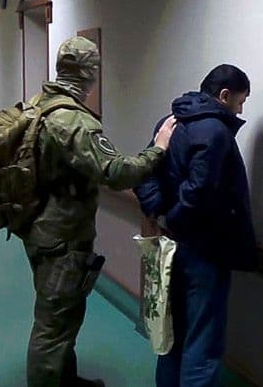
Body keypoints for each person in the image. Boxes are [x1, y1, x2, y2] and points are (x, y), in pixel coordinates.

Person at [22, 36, 176, 387]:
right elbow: (116, 172)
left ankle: (65, 379)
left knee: (63, 317)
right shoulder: (73, 121)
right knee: (53, 327)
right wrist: (158, 149)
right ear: (89, 73)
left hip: (38, 227)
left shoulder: (38, 105)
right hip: (62, 239)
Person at [134, 64, 258, 387]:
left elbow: (144, 173)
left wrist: (159, 214)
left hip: (170, 246)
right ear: (224, 95)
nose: (240, 111)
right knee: (203, 341)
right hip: (204, 250)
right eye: (240, 102)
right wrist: (174, 221)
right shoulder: (215, 131)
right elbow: (198, 192)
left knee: (172, 332)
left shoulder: (170, 122)